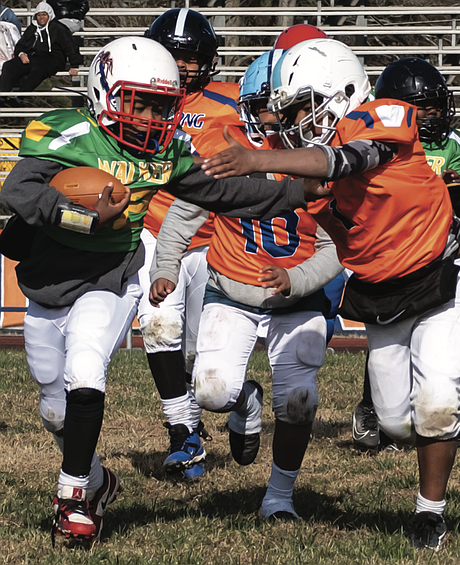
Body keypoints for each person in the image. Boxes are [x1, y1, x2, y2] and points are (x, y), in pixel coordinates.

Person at [0, 35, 322, 544]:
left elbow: (224, 193)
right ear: (106, 91)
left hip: (110, 275)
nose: (150, 118)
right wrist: (81, 217)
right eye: (139, 102)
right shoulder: (66, 131)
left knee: (87, 372)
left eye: (161, 106)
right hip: (48, 280)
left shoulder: (167, 151)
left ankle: (72, 497)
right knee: (55, 408)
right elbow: (17, 190)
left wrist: (296, 189)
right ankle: (100, 480)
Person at [200, 38, 460, 551]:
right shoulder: (314, 170)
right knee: (396, 425)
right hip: (385, 288)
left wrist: (258, 156)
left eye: (300, 106)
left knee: (432, 403)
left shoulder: (380, 119)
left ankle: (429, 514)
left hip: (445, 271)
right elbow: (285, 197)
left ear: (338, 93)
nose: (292, 119)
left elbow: (350, 158)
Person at [150, 47, 343, 521]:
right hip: (231, 289)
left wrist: (295, 279)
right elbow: (183, 212)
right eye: (267, 110)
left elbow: (338, 247)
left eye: (288, 111)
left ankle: (278, 498)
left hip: (297, 297)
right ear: (247, 110)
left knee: (299, 401)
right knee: (213, 391)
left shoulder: (323, 162)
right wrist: (165, 268)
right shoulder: (225, 150)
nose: (276, 122)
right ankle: (246, 400)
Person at [350, 57, 460, 452]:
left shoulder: (453, 145)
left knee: (431, 352)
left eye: (435, 107)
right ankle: (376, 405)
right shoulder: (372, 145)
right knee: (388, 340)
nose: (432, 116)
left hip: (439, 253)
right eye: (421, 108)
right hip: (390, 255)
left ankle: (452, 406)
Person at [139, 8, 242, 480]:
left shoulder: (230, 103)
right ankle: (183, 433)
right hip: (156, 228)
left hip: (212, 236)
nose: (182, 67)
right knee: (158, 325)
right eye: (174, 56)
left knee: (205, 357)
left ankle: (236, 403)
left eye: (192, 57)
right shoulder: (139, 97)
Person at [0, 2, 82, 103]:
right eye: (38, 15)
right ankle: (3, 96)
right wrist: (21, 53)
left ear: (49, 15)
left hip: (54, 59)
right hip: (34, 57)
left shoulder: (58, 28)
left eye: (44, 15)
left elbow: (70, 46)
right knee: (9, 66)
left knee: (38, 70)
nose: (41, 18)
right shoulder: (32, 29)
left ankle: (18, 98)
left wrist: (74, 65)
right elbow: (21, 44)